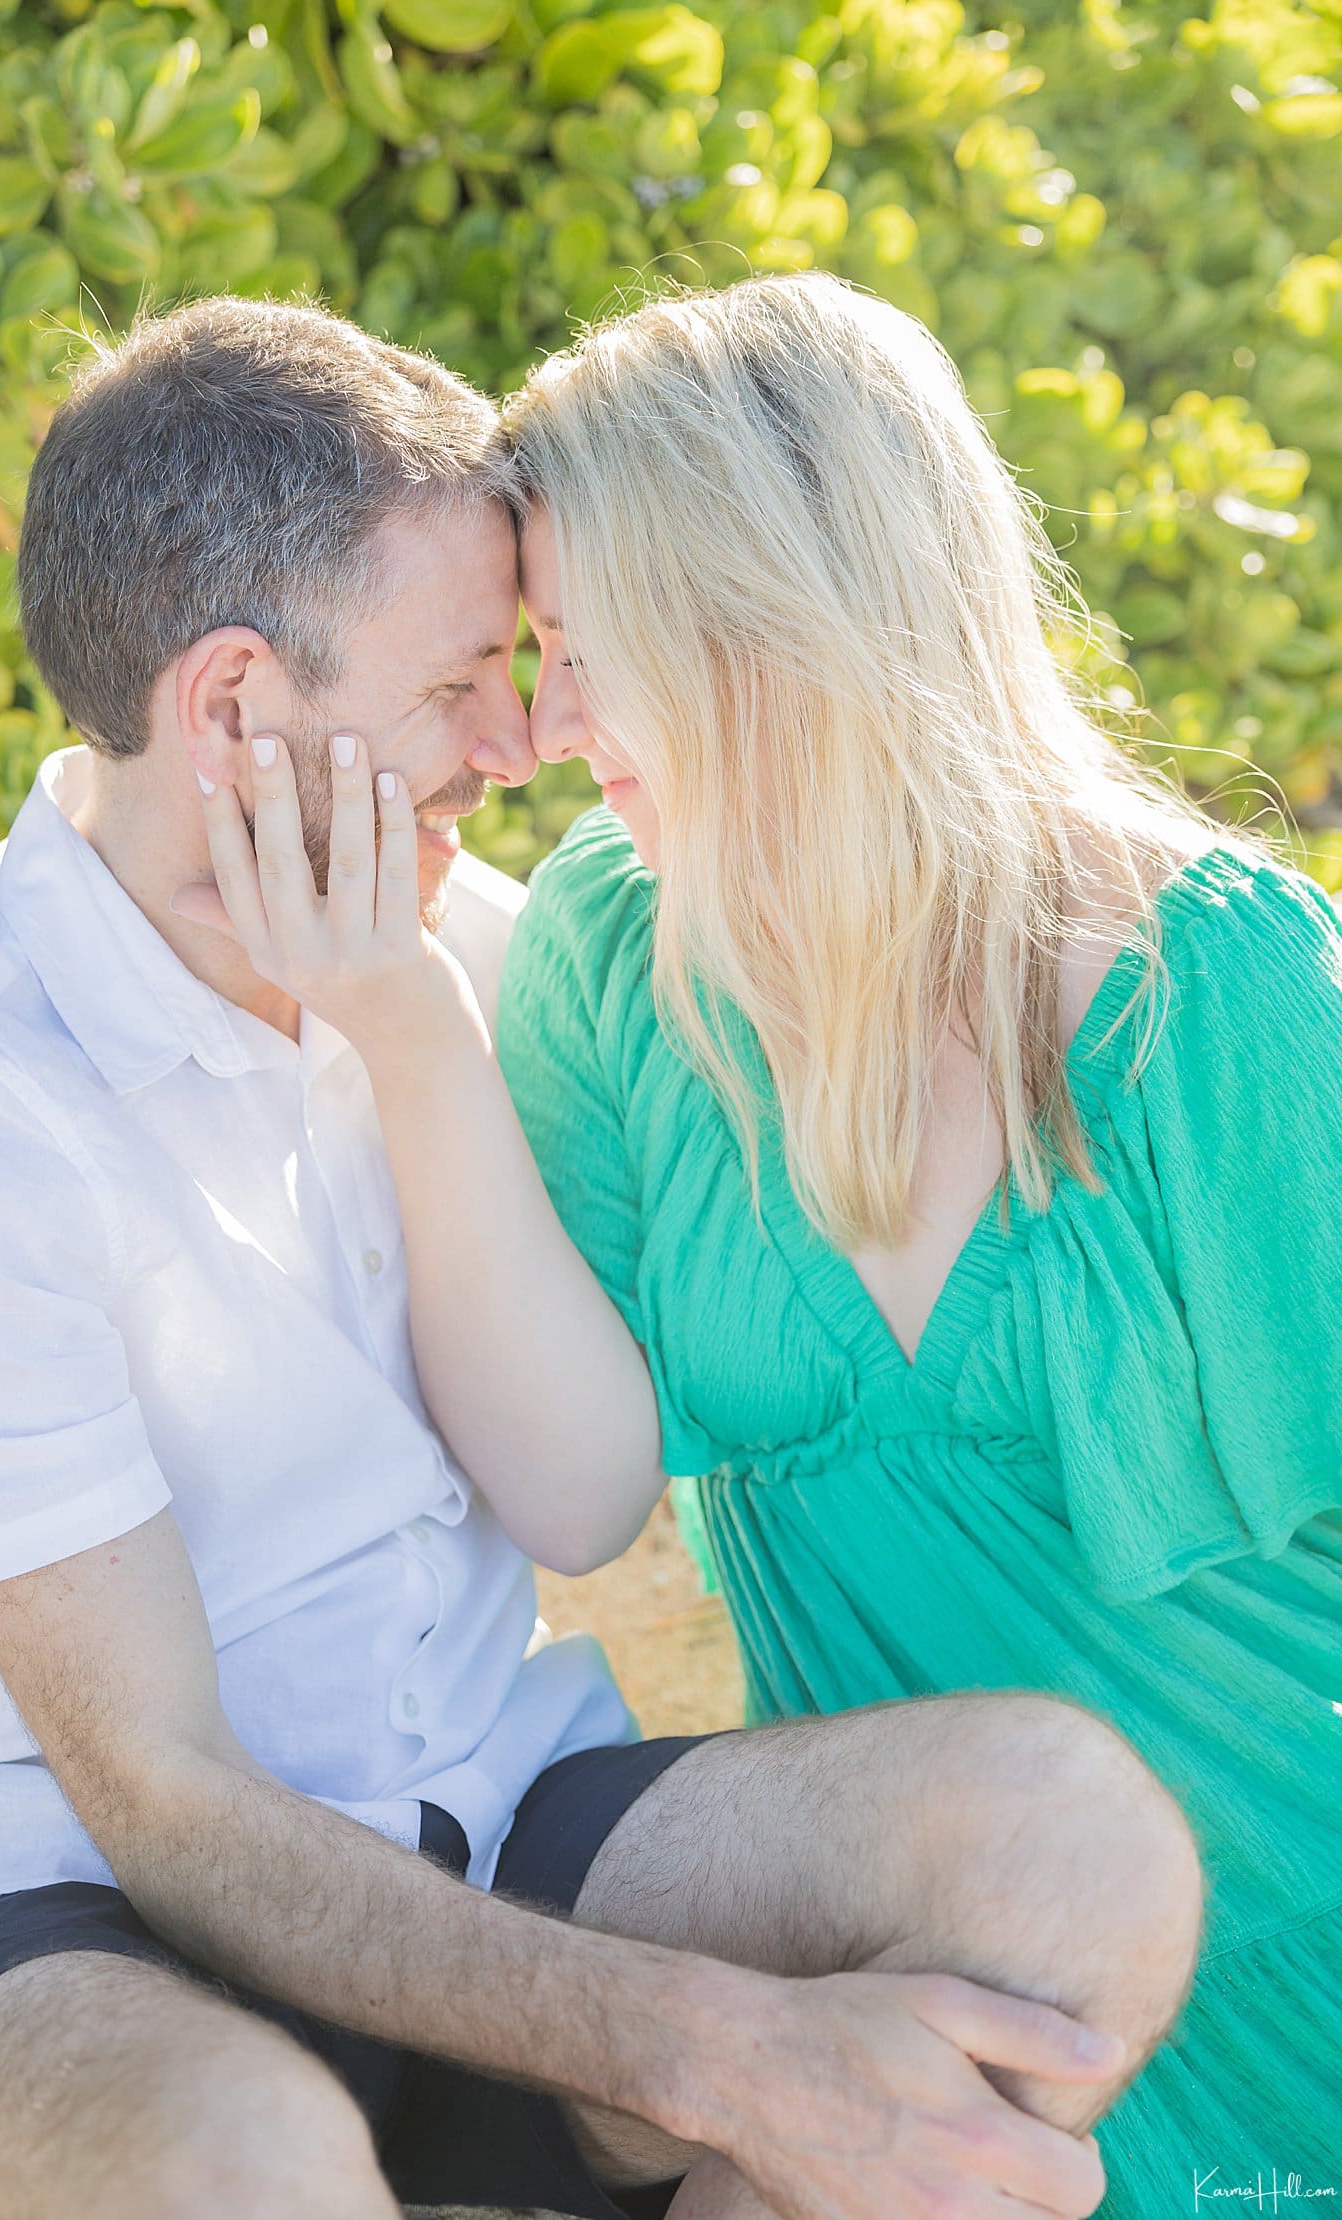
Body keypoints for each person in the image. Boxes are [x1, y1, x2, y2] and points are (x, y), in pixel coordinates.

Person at [0, 294, 1201, 2220]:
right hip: (74, 1921)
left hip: (489, 1820)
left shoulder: (480, 956)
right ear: (235, 706)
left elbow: (583, 1493)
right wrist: (725, 2051)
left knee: (1070, 1844)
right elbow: (164, 1805)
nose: (519, 741)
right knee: (244, 2163)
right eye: (457, 684)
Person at [482, 276, 1339, 2207]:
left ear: (766, 624)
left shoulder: (1222, 989)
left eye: (585, 649)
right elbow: (549, 1476)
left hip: (1304, 1950)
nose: (543, 725)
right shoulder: (612, 954)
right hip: (932, 1993)